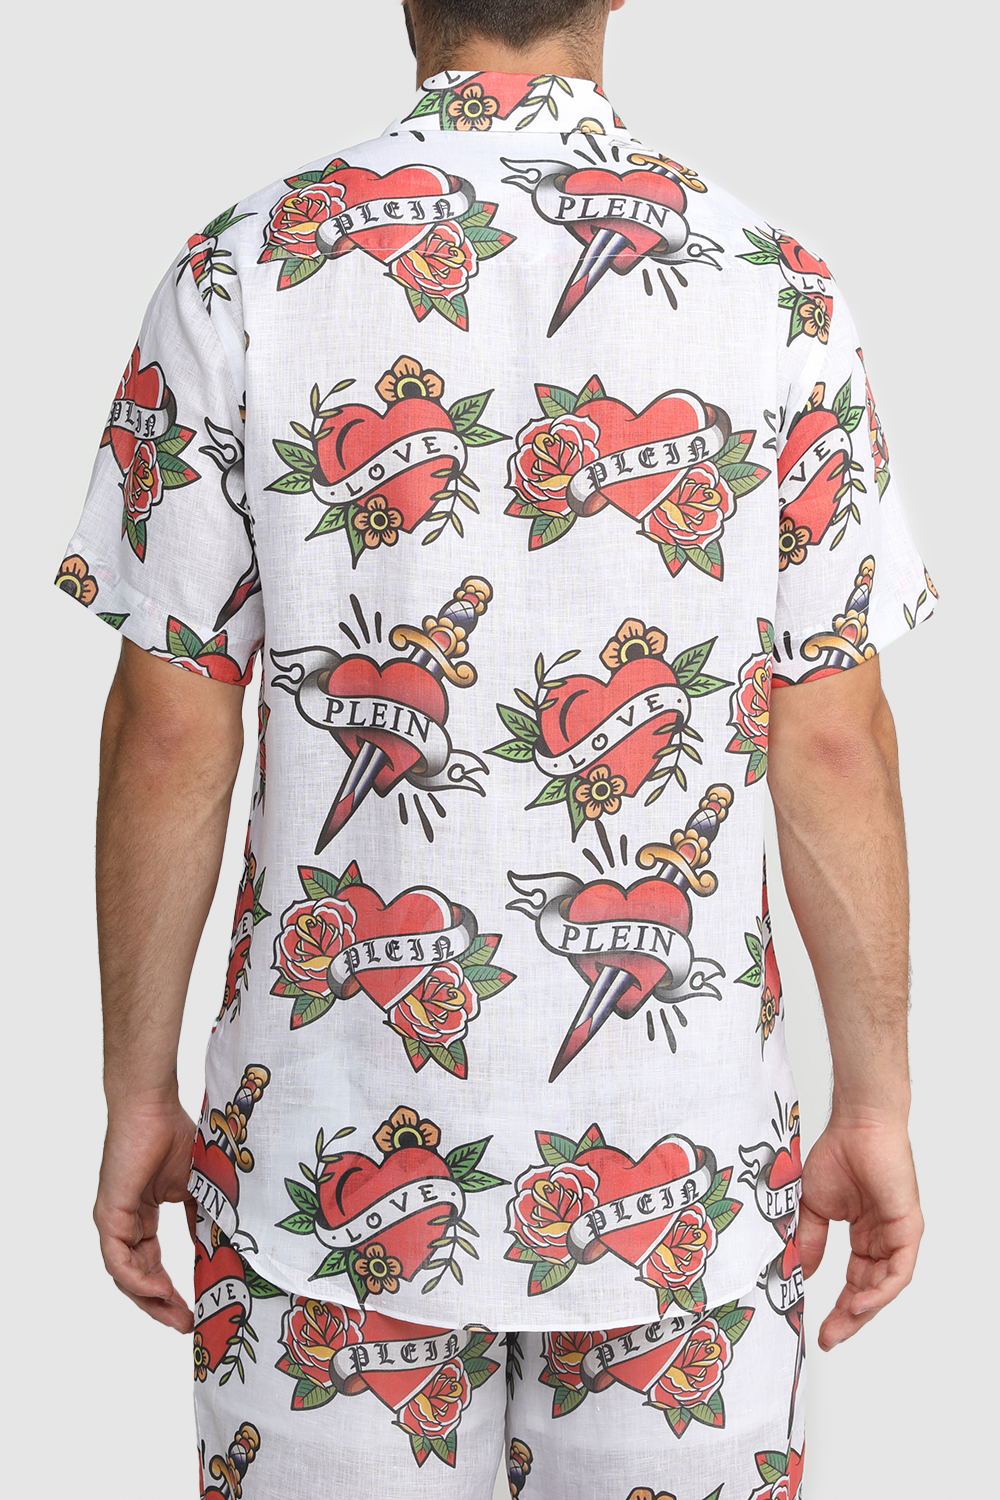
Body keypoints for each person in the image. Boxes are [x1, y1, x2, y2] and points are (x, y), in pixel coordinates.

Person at [55, 2, 933, 1496]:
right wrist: (875, 1104)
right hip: (686, 1192)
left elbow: (167, 728)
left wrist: (136, 1091)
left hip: (321, 1177)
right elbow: (833, 743)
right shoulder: (777, 289)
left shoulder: (237, 271)